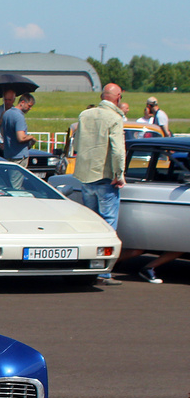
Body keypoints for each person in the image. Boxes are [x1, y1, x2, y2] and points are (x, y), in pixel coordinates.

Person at [70, 83, 127, 285]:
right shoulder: (115, 118)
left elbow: (76, 143)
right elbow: (118, 150)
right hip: (105, 176)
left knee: (90, 223)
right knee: (108, 224)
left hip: (85, 175)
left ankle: (87, 267)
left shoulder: (85, 115)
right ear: (118, 97)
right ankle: (103, 271)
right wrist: (119, 174)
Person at [0, 92, 37, 162]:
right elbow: (21, 138)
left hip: (8, 154)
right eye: (29, 106)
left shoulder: (6, 113)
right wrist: (31, 138)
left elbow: (2, 132)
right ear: (22, 102)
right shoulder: (19, 116)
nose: (30, 108)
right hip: (19, 156)